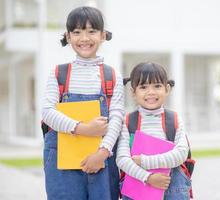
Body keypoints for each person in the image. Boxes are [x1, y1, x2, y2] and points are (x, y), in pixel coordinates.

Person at [42, 6, 124, 200]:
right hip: (62, 160)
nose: (84, 38)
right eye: (77, 32)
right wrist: (84, 129)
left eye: (91, 31)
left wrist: (102, 153)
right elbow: (47, 112)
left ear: (103, 35)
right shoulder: (58, 73)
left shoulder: (112, 75)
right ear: (68, 36)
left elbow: (117, 118)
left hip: (102, 158)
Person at [117, 62, 192, 200]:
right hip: (138, 186)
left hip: (172, 188)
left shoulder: (174, 119)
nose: (151, 92)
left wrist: (145, 161)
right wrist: (148, 178)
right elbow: (122, 159)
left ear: (167, 89)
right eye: (143, 87)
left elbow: (181, 154)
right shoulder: (127, 122)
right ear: (133, 92)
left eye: (157, 86)